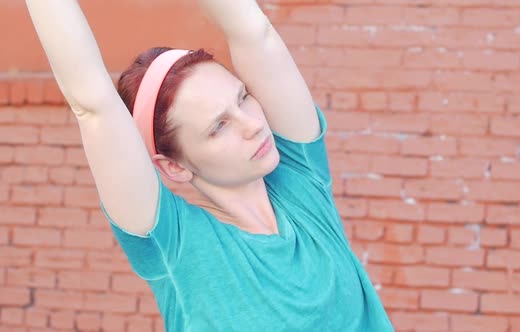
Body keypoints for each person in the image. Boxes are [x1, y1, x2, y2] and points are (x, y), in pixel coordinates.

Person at [25, 1, 395, 331]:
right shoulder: (178, 244)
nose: (253, 124)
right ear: (173, 167)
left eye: (243, 97)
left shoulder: (301, 182)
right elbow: (92, 106)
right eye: (219, 126)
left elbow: (253, 30)